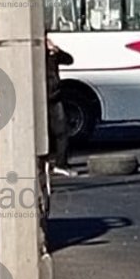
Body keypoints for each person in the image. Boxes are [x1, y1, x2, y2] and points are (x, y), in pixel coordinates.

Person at [45, 35, 75, 176]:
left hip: (54, 96)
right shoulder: (37, 55)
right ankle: (53, 162)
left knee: (62, 131)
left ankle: (60, 163)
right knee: (56, 132)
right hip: (47, 97)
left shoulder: (53, 54)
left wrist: (56, 50)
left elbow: (69, 60)